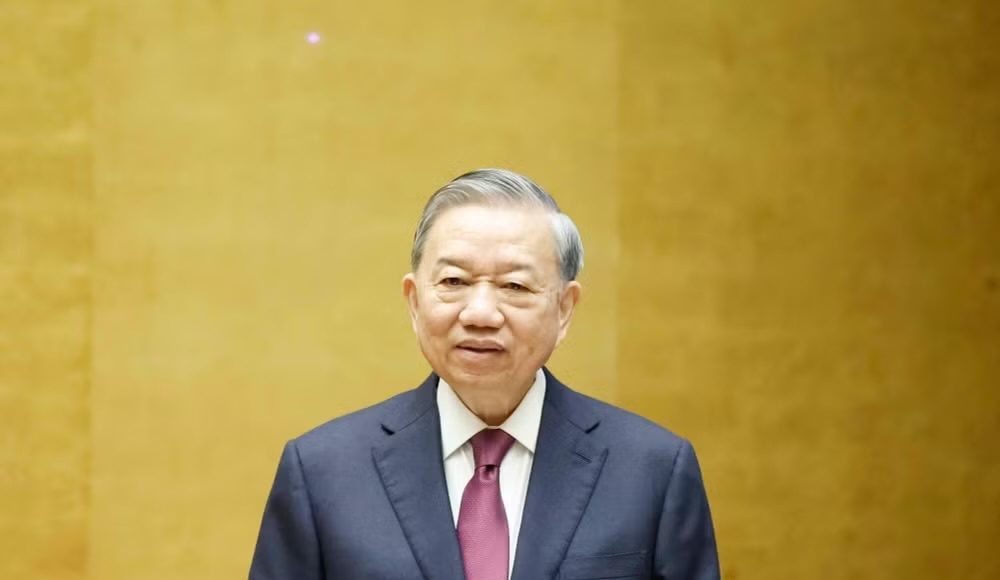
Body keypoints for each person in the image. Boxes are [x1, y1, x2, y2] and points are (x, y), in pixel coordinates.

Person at [249, 168, 720, 580]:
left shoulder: (653, 471)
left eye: (514, 285)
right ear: (414, 301)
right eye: (454, 281)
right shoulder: (321, 473)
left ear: (564, 309)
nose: (480, 313)